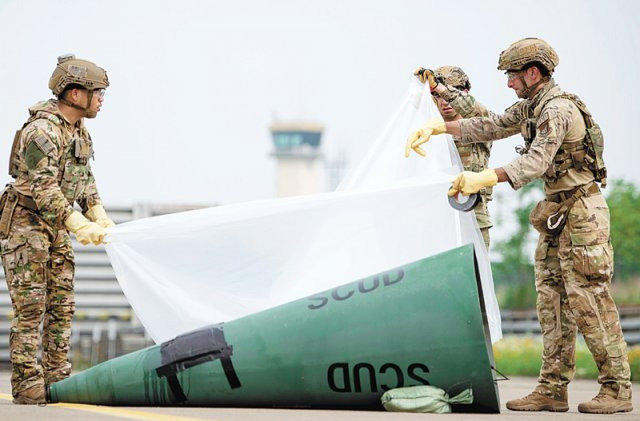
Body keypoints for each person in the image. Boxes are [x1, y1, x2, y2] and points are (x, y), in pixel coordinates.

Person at [407, 38, 632, 414]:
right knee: (552, 302)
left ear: (532, 73)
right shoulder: (532, 106)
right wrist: (442, 128)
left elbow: (535, 163)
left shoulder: (557, 110)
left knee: (589, 300)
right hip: (558, 213)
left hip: (583, 214)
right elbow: (493, 124)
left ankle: (617, 388)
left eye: (513, 76)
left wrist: (485, 177)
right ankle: (552, 389)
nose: (509, 83)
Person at [0, 54, 115, 404]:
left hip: (55, 224)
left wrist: (97, 212)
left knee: (62, 304)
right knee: (31, 306)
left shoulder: (78, 130)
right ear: (74, 94)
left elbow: (83, 178)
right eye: (97, 92)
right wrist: (76, 222)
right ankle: (26, 384)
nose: (101, 99)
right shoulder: (42, 131)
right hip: (26, 221)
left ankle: (57, 377)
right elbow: (45, 188)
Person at [411, 66, 494, 249]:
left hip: (472, 216)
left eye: (451, 94)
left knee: (473, 276)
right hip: (435, 222)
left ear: (464, 93)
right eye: (438, 96)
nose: (445, 102)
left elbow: (480, 113)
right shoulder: (426, 130)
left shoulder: (479, 124)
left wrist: (441, 89)